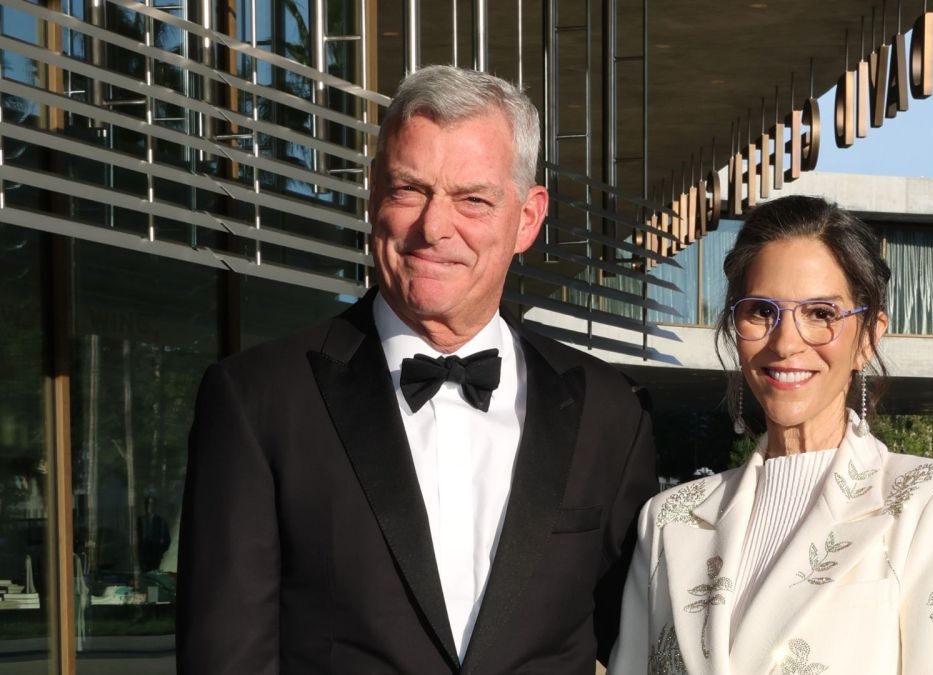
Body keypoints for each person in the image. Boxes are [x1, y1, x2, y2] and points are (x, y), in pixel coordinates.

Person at [177, 65, 658, 674]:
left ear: (528, 219)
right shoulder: (257, 401)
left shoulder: (610, 411)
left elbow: (639, 641)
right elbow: (225, 660)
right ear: (374, 192)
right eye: (410, 189)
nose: (434, 227)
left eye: (473, 200)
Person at [609, 196, 933, 674]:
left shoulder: (925, 501)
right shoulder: (668, 520)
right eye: (760, 312)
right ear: (735, 328)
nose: (786, 342)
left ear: (868, 337)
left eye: (820, 314)